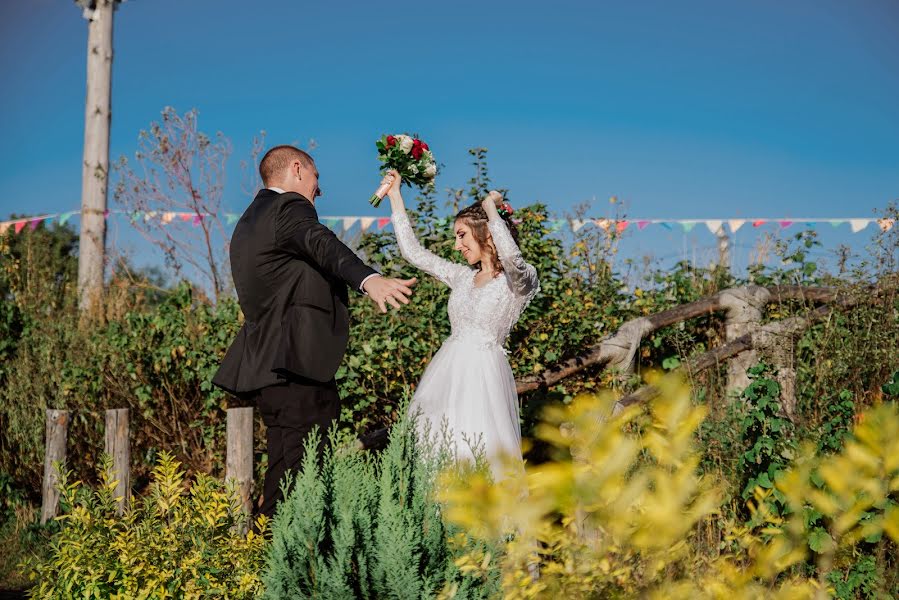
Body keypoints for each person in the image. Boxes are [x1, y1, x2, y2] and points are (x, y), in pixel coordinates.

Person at [213, 146, 416, 518]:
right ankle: (278, 560)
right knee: (298, 475)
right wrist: (368, 280)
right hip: (295, 365)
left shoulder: (250, 220)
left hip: (271, 365)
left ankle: (270, 554)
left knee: (286, 466)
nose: (318, 189)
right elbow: (322, 244)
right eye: (316, 177)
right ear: (297, 169)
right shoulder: (288, 207)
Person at [382, 169, 539, 477]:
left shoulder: (520, 281)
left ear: (487, 234)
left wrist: (489, 207)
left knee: (478, 452)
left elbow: (513, 259)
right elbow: (414, 253)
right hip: (446, 374)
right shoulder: (461, 277)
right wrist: (395, 197)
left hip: (484, 379)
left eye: (462, 235)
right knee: (437, 449)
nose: (457, 245)